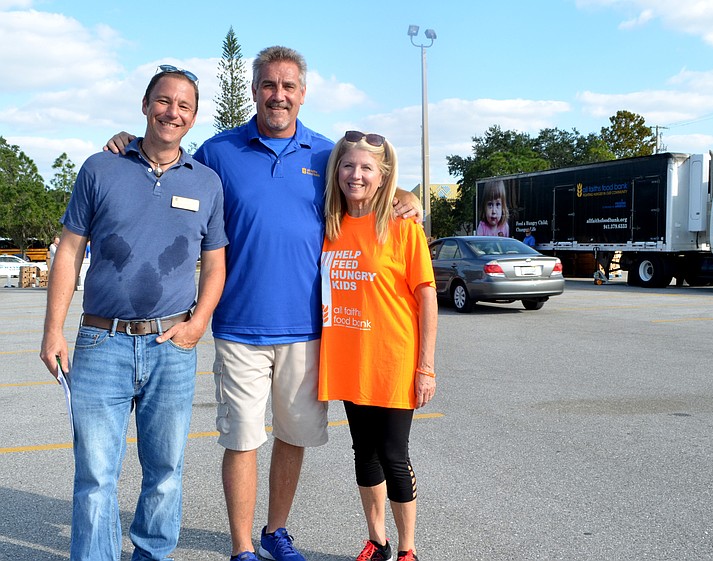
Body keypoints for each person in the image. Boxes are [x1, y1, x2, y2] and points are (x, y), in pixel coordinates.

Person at [106, 46, 421, 561]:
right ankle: (242, 546)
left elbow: (367, 179)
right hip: (238, 328)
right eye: (269, 85)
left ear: (303, 93)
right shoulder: (220, 151)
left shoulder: (325, 153)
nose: (278, 95)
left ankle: (276, 531)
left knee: (293, 438)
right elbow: (169, 163)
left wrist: (407, 195)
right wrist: (129, 143)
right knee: (242, 440)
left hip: (306, 330)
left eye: (288, 86)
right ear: (253, 91)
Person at [40, 65, 227, 561]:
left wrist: (198, 322)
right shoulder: (100, 169)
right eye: (163, 101)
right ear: (146, 106)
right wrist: (52, 330)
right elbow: (69, 251)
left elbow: (215, 263)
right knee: (96, 474)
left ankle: (152, 555)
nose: (172, 112)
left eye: (184, 105)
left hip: (171, 345)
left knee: (166, 471)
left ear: (193, 118)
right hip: (102, 342)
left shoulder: (206, 182)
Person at [319, 131, 437, 561]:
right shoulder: (330, 223)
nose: (356, 175)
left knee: (393, 454)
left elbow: (427, 297)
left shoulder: (402, 225)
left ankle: (408, 548)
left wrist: (426, 367)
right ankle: (378, 540)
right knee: (363, 453)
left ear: (383, 175)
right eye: (348, 166)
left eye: (368, 168)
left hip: (393, 361)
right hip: (349, 360)